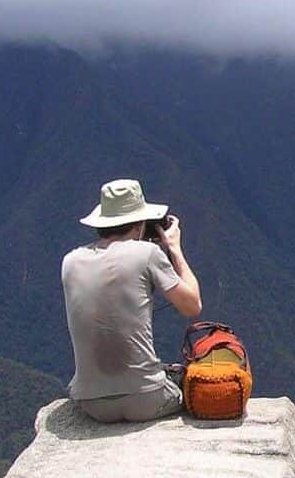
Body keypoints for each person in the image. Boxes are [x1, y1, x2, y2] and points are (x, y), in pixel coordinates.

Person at [61, 178, 202, 422]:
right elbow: (192, 305)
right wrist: (174, 249)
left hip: (91, 404)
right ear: (140, 224)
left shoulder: (70, 261)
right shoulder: (148, 253)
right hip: (147, 400)